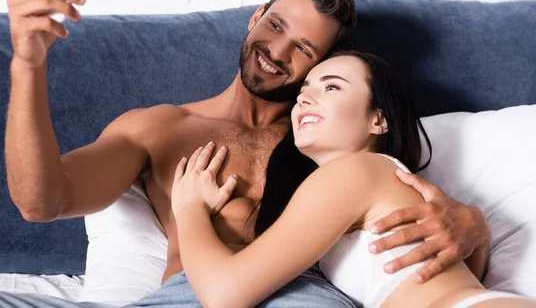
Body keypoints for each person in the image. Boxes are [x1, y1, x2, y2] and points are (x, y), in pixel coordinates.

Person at [0, 0, 490, 307]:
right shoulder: (159, 129)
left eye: (305, 50)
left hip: (297, 297)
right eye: (275, 25)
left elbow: (398, 205)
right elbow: (41, 200)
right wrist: (26, 65)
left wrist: (472, 225)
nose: (277, 51)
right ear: (255, 17)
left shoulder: (326, 137)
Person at [170, 50, 535, 308]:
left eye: (331, 87)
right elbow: (453, 273)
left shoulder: (355, 171)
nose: (305, 99)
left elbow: (224, 296)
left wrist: (187, 209)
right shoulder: (377, 180)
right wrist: (480, 235)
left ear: (379, 119)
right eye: (303, 91)